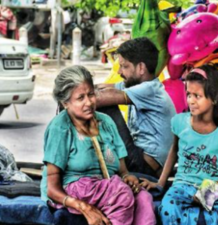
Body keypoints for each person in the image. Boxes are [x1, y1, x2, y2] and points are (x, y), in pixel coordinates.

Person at [41, 65, 155, 225]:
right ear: (65, 103)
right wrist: (83, 207)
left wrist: (128, 178)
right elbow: (51, 188)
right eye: (80, 98)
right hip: (74, 189)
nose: (89, 102)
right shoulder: (60, 128)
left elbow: (122, 171)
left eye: (91, 95)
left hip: (106, 187)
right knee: (120, 193)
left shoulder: (106, 122)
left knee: (144, 198)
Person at [141, 64, 218, 224]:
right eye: (189, 94)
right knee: (168, 208)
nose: (191, 101)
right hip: (183, 185)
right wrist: (160, 183)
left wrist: (206, 192)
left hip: (216, 187)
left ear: (215, 97)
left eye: (197, 96)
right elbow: (174, 151)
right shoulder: (180, 122)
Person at [95, 37, 176, 179]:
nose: (120, 72)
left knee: (102, 105)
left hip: (144, 166)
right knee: (86, 99)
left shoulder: (149, 89)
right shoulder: (135, 85)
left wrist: (73, 96)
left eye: (124, 66)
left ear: (141, 68)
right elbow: (102, 87)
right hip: (139, 157)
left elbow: (100, 98)